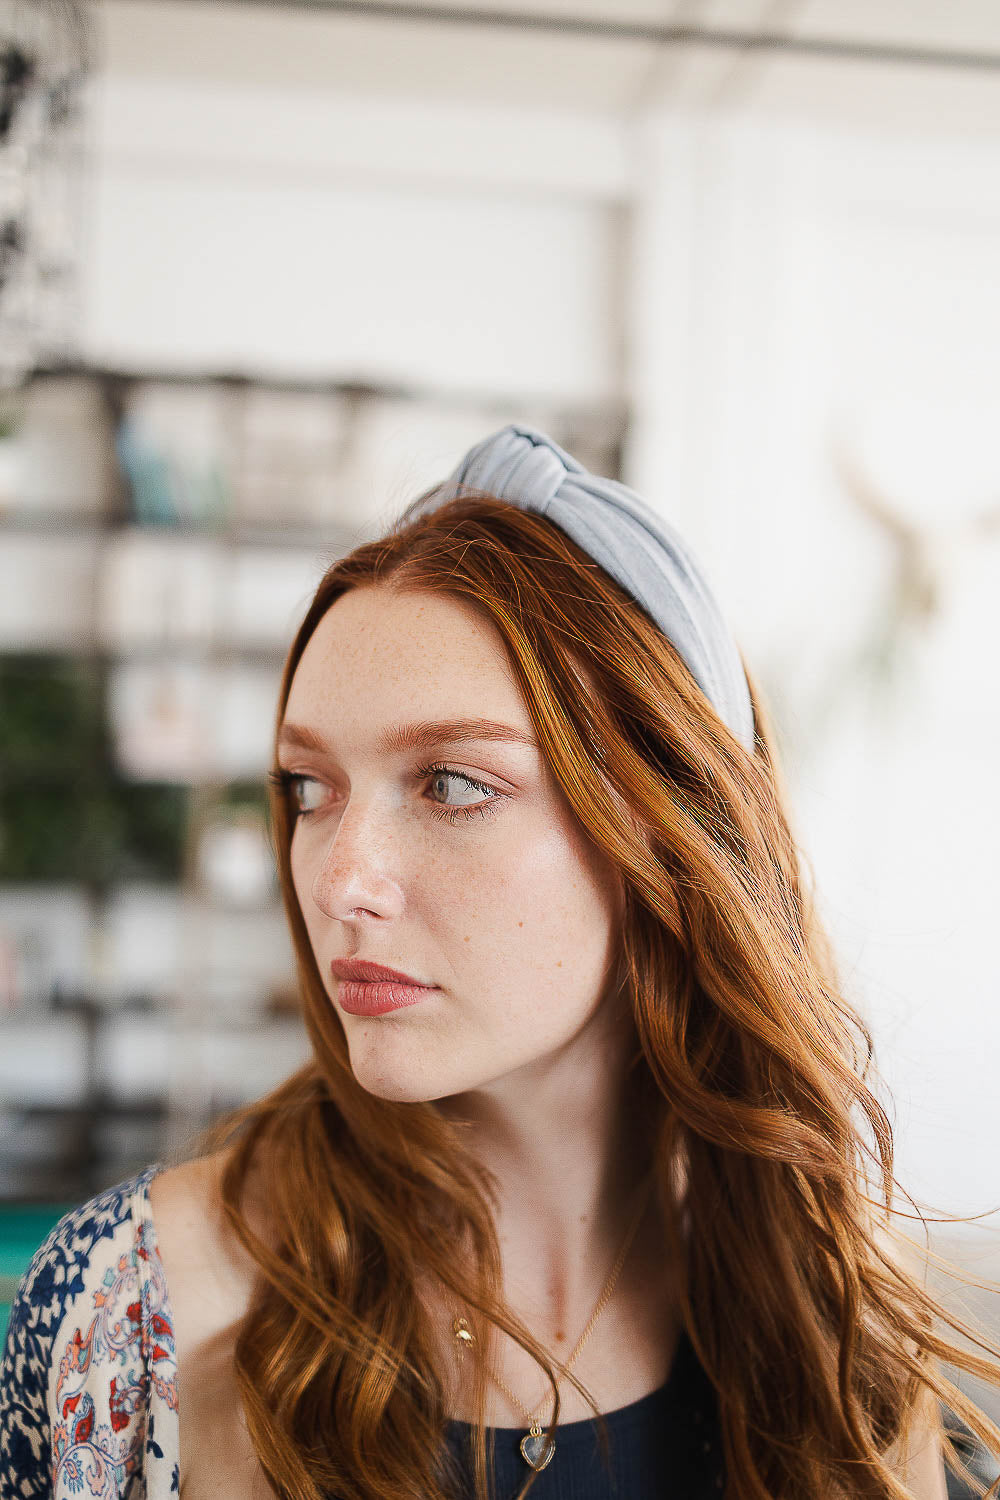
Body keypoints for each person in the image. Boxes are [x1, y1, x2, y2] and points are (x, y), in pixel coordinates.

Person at [1, 425, 997, 1500]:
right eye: (307, 788)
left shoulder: (848, 1340)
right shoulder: (131, 1319)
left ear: (670, 832)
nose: (342, 882)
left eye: (452, 785)